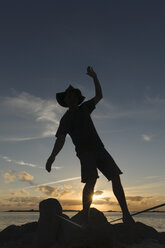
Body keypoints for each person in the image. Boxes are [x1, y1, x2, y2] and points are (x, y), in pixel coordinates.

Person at [46, 66, 135, 224]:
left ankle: (126, 214)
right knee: (91, 180)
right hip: (85, 152)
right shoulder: (65, 119)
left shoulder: (85, 108)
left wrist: (94, 76)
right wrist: (52, 157)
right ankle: (85, 217)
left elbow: (99, 95)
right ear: (65, 101)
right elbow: (60, 139)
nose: (71, 98)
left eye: (74, 96)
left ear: (77, 99)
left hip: (100, 148)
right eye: (69, 96)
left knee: (115, 177)